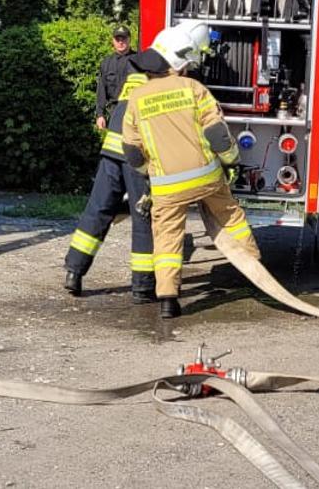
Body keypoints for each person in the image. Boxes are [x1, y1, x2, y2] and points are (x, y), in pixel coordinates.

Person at [120, 21, 259, 319]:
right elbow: (218, 136)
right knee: (231, 218)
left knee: (168, 239)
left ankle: (168, 299)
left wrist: (151, 172)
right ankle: (254, 273)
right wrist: (231, 160)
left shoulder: (136, 98)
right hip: (207, 177)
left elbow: (131, 151)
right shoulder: (194, 89)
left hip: (167, 187)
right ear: (181, 63)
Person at [62, 50, 160, 303]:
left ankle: (74, 271)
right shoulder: (162, 86)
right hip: (136, 158)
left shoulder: (132, 81)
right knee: (142, 217)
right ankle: (142, 287)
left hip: (111, 152)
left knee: (98, 210)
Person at [95, 26, 134, 130]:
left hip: (133, 111)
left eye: (124, 39)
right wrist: (100, 115)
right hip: (114, 111)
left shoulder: (138, 60)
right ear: (113, 41)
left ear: (129, 39)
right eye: (117, 39)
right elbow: (101, 90)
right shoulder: (106, 63)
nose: (120, 42)